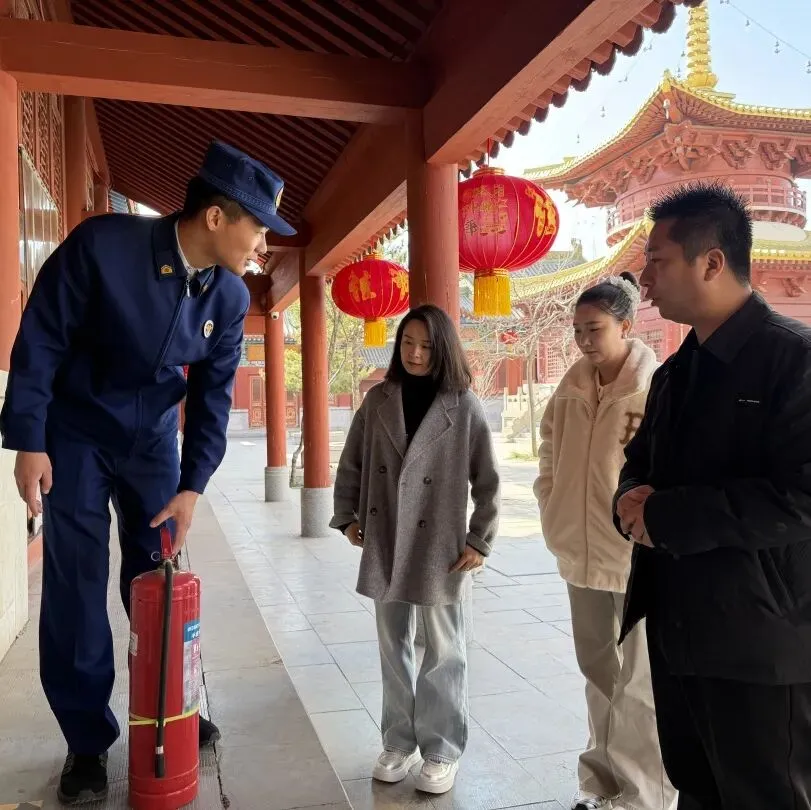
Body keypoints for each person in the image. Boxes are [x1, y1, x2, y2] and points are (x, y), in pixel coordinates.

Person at [0, 140, 296, 805]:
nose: (263, 244)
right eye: (257, 227)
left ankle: (169, 706)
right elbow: (41, 338)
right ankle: (86, 739)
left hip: (154, 447)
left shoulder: (227, 294)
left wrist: (192, 486)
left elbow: (212, 399)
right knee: (76, 585)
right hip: (75, 438)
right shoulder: (103, 246)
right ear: (216, 217)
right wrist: (30, 440)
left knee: (158, 576)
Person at [614, 182, 811, 810]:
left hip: (762, 639)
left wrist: (665, 514)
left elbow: (802, 497)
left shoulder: (794, 361)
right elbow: (640, 465)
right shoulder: (677, 371)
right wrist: (628, 503)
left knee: (765, 795)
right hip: (679, 627)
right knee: (695, 788)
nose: (644, 279)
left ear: (712, 262)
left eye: (657, 260)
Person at [331, 304, 500, 795]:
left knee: (444, 649)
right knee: (393, 646)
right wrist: (347, 515)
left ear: (442, 348)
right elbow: (352, 462)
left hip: (440, 545)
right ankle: (398, 741)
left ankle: (442, 748)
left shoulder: (462, 405)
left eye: (426, 345)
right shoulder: (379, 399)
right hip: (385, 537)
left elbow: (488, 479)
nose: (416, 353)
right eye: (408, 342)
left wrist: (479, 539)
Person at [535, 273, 675, 810]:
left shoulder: (654, 387)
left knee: (639, 682)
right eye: (577, 331)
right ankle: (602, 782)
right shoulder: (570, 388)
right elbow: (549, 450)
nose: (584, 341)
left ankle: (644, 795)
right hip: (579, 550)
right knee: (597, 672)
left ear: (625, 325)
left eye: (594, 329)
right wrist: (550, 501)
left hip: (634, 554)